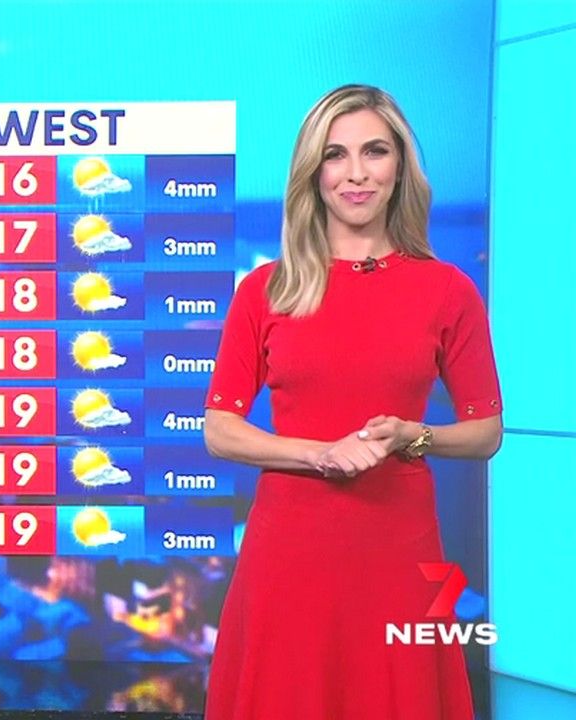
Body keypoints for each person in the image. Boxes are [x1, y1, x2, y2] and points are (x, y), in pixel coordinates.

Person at [201, 84, 503, 719]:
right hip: (289, 554)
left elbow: (485, 433)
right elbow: (221, 429)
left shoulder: (448, 290)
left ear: (400, 167)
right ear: (314, 174)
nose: (357, 173)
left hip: (400, 550)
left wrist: (413, 435)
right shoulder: (266, 290)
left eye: (375, 151)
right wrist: (320, 455)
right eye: (336, 155)